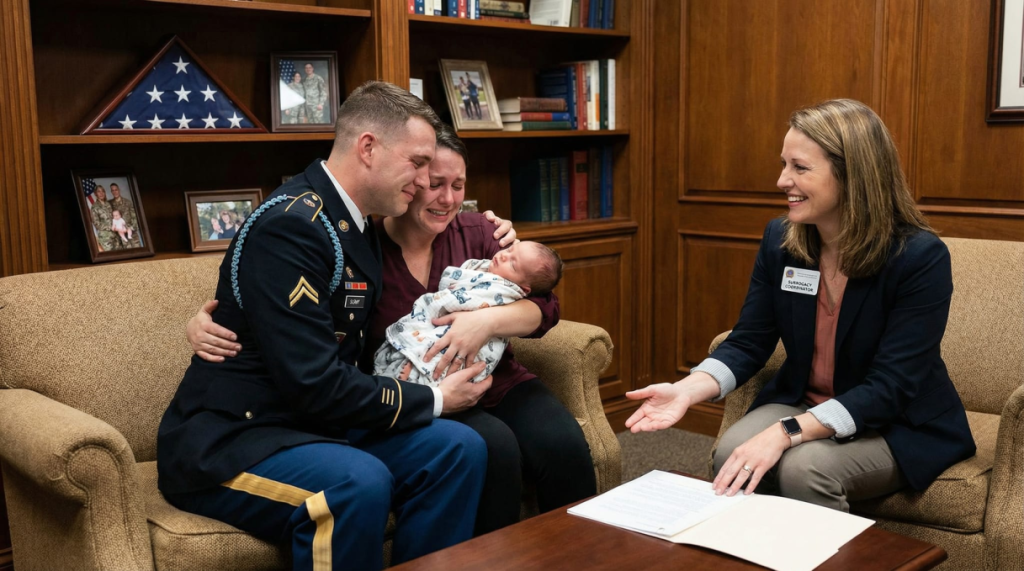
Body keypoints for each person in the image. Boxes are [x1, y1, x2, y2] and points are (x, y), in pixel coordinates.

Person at [188, 124, 597, 536]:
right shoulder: (360, 247)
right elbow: (291, 303)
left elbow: (546, 304)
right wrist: (206, 320)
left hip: (496, 381)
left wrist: (485, 321)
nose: (448, 198)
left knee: (563, 445)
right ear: (411, 184)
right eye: (434, 182)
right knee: (493, 448)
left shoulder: (481, 234)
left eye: (459, 185)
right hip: (417, 386)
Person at [158, 81, 495, 571]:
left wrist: (497, 239)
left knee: (458, 449)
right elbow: (312, 380)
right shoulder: (291, 224)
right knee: (354, 484)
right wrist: (437, 400)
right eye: (418, 162)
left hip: (314, 425)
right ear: (367, 148)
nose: (425, 181)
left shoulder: (358, 220)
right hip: (235, 440)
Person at [626, 99, 976, 513]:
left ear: (852, 175)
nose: (781, 180)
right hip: (803, 399)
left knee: (805, 469)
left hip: (896, 420)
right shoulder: (782, 240)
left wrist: (785, 432)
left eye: (800, 167)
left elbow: (892, 386)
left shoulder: (919, 257)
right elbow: (749, 341)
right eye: (783, 164)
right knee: (731, 454)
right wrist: (685, 391)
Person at [373, 241, 564, 386]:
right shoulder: (374, 239)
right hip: (441, 331)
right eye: (509, 250)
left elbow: (549, 307)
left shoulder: (505, 288)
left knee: (447, 358)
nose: (504, 256)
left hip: (485, 362)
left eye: (513, 265)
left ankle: (416, 374)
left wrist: (487, 320)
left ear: (524, 288)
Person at [108, 183, 141, 248]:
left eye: (116, 190)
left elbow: (134, 216)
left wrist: (131, 228)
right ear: (111, 192)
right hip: (120, 233)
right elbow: (109, 219)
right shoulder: (109, 204)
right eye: (113, 190)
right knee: (128, 252)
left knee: (138, 249)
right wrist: (116, 229)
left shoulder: (128, 202)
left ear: (119, 190)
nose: (115, 192)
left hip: (131, 231)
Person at [89, 185, 118, 252]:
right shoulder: (94, 207)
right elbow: (96, 224)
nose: (101, 193)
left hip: (116, 235)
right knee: (111, 257)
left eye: (102, 191)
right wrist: (110, 227)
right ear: (96, 194)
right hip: (105, 237)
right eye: (99, 192)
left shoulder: (109, 204)